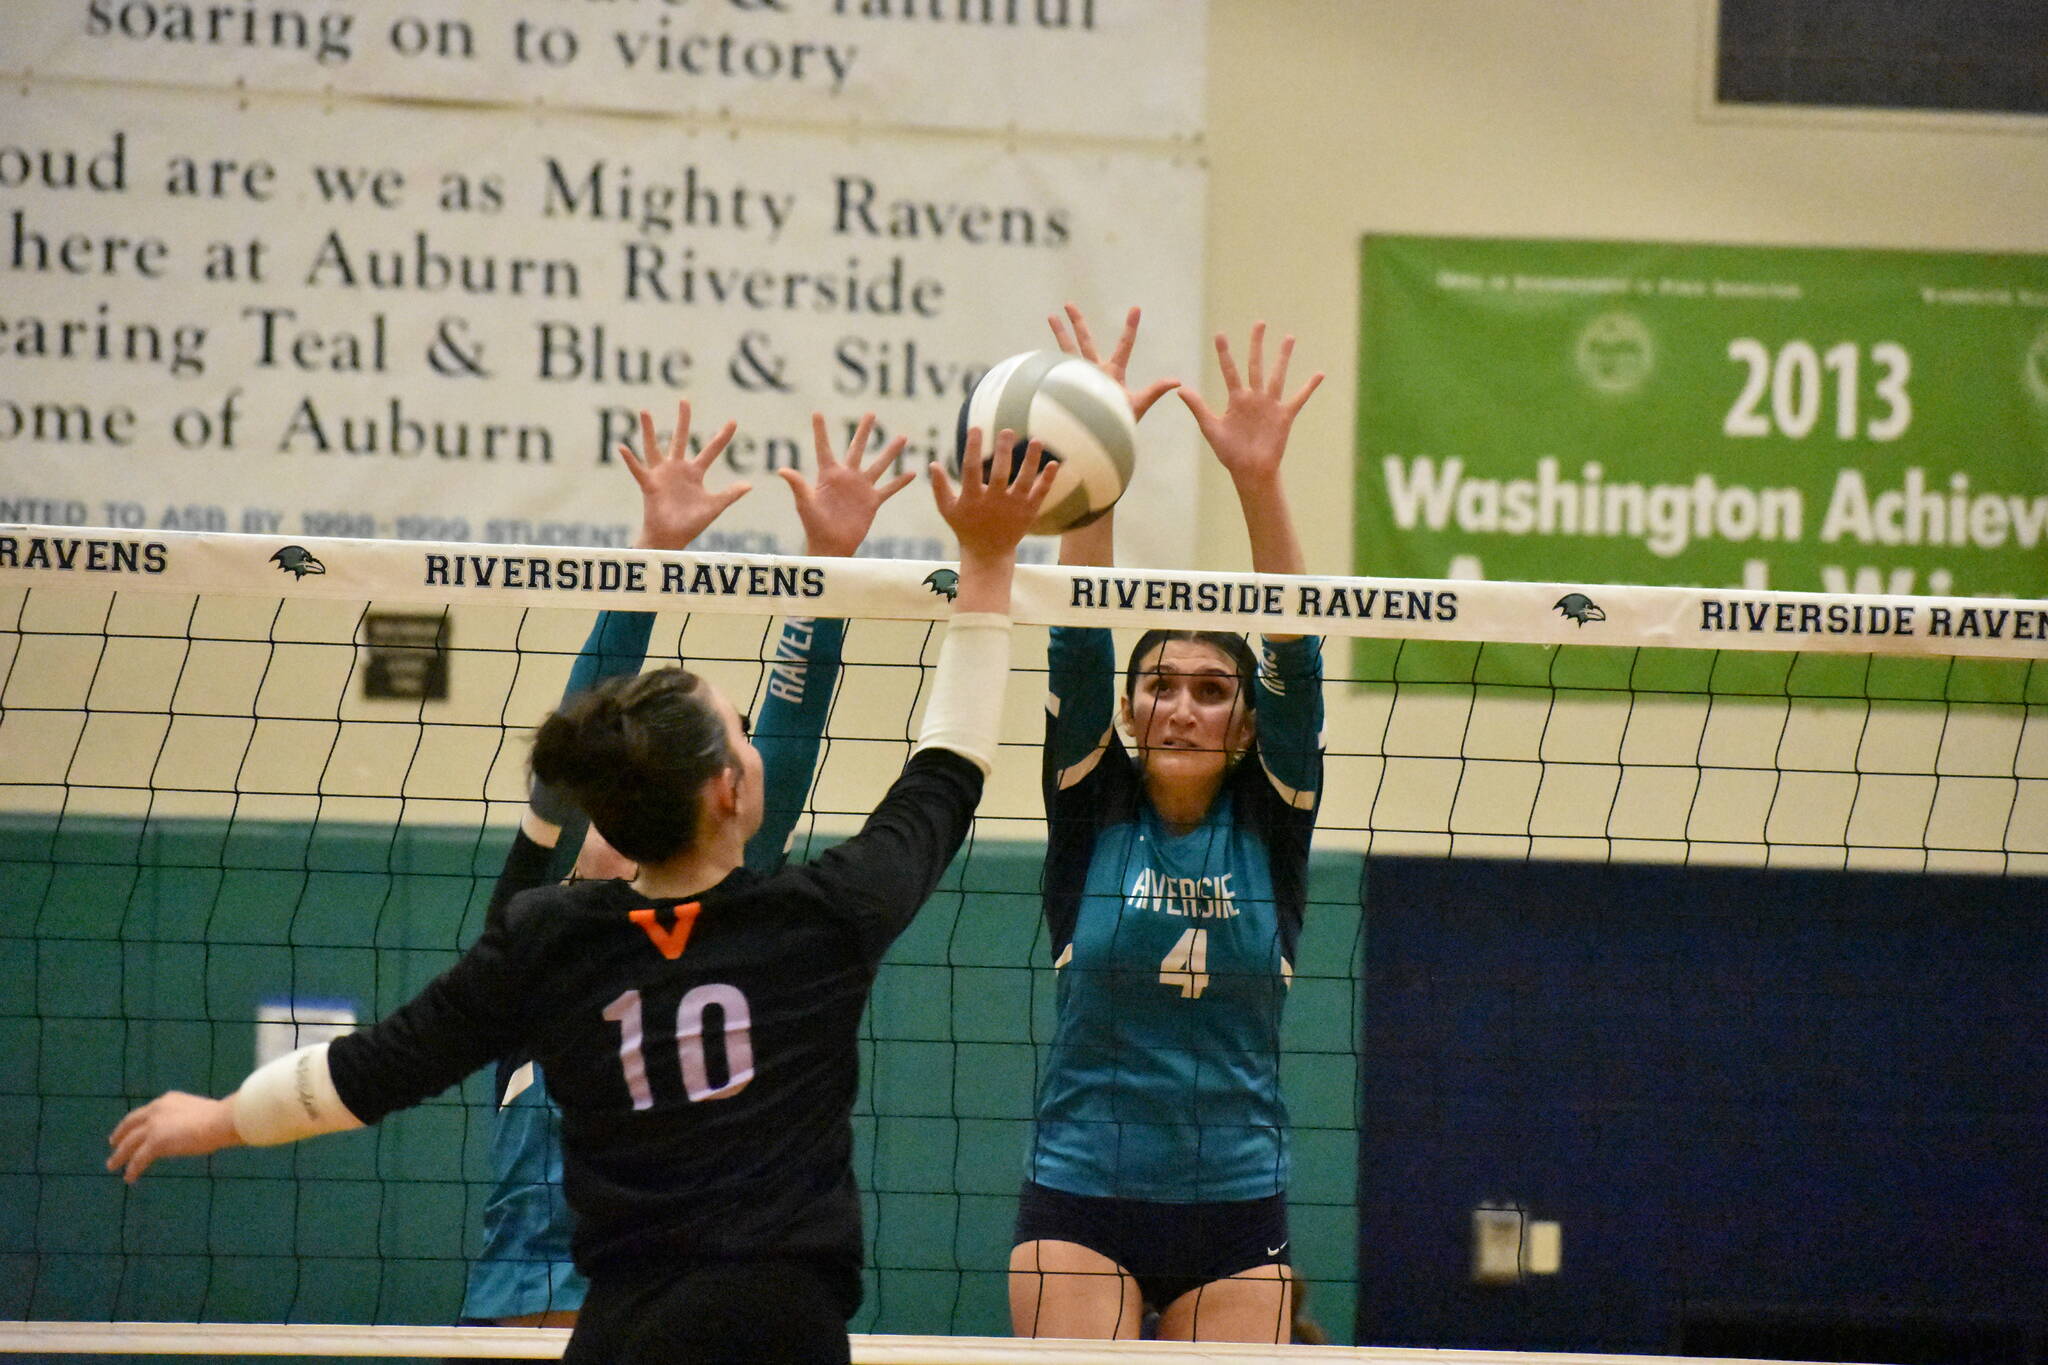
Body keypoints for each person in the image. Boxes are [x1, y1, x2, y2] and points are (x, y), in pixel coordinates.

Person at [108, 426, 1058, 1365]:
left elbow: (379, 1068)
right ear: (728, 791)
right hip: (751, 1320)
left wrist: (223, 1118)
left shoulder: (550, 941)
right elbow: (948, 770)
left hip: (622, 1323)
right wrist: (986, 564)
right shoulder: (803, 922)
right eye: (740, 735)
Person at [456, 405, 917, 1338]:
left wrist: (826, 568)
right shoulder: (538, 933)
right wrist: (651, 558)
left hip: (682, 1309)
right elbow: (579, 734)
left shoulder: (733, 919)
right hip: (527, 1311)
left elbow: (787, 733)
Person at [1009, 306, 1326, 1344]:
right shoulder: (1089, 807)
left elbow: (1295, 657)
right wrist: (1096, 466)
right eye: (1159, 684)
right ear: (1130, 709)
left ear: (1246, 724)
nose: (1181, 706)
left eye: (1210, 689)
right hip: (1079, 1197)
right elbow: (1076, 633)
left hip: (1235, 1206)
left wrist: (1256, 479)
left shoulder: (1272, 822)